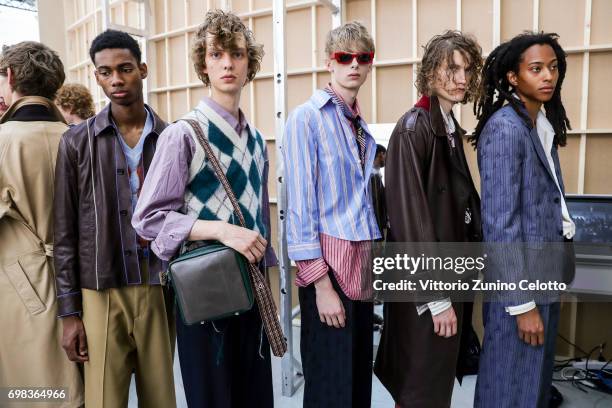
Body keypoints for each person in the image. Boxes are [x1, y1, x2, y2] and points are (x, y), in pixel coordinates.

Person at [132, 10, 281, 407]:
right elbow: (147, 219)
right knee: (213, 397)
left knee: (254, 395)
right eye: (216, 55)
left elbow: (259, 220)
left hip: (251, 289)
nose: (227, 63)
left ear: (250, 63)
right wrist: (221, 230)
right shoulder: (184, 134)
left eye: (236, 54)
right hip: (205, 288)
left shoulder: (254, 141)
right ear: (203, 64)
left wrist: (270, 277)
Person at [53, 30, 176, 408]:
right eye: (106, 72)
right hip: (100, 289)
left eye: (125, 69)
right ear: (96, 77)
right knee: (104, 399)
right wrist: (70, 312)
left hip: (158, 284)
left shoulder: (171, 138)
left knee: (161, 398)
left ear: (142, 69)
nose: (117, 80)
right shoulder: (77, 142)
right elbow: (64, 231)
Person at [374, 31, 484, 408]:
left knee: (434, 387)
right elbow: (409, 221)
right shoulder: (413, 128)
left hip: (450, 277)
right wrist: (435, 298)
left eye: (467, 70)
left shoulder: (449, 127)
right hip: (426, 288)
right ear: (429, 72)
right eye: (450, 69)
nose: (461, 79)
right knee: (418, 388)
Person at [471, 32, 575, 408]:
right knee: (507, 391)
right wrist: (522, 304)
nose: (548, 76)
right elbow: (500, 225)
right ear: (513, 77)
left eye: (553, 68)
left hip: (543, 277)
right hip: (519, 291)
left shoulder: (539, 124)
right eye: (536, 69)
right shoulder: (505, 129)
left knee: (532, 389)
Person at [283, 21, 380, 408]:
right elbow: (300, 211)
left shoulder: (356, 123)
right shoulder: (307, 118)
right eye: (344, 57)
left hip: (361, 267)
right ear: (330, 63)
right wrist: (322, 288)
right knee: (329, 385)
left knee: (357, 384)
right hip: (329, 272)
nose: (353, 64)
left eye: (363, 57)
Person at [0, 41, 84, 408]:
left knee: (28, 393)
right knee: (80, 392)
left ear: (10, 76)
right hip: (84, 288)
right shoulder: (82, 139)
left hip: (20, 292)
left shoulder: (3, 142)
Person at [371, 144, 388, 240]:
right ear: (381, 154)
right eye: (386, 155)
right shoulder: (373, 177)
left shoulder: (374, 175)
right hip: (376, 231)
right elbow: (377, 206)